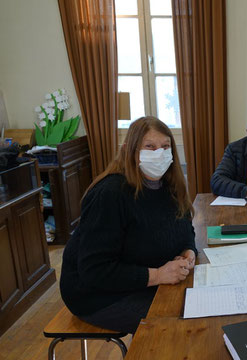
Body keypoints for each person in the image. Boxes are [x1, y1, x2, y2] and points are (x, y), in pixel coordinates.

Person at [60, 116, 197, 334]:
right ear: (130, 151)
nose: (159, 154)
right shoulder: (110, 194)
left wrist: (188, 251)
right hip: (99, 296)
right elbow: (94, 271)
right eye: (150, 147)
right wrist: (158, 275)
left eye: (165, 147)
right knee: (181, 323)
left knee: (197, 305)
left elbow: (186, 229)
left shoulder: (170, 186)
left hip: (146, 280)